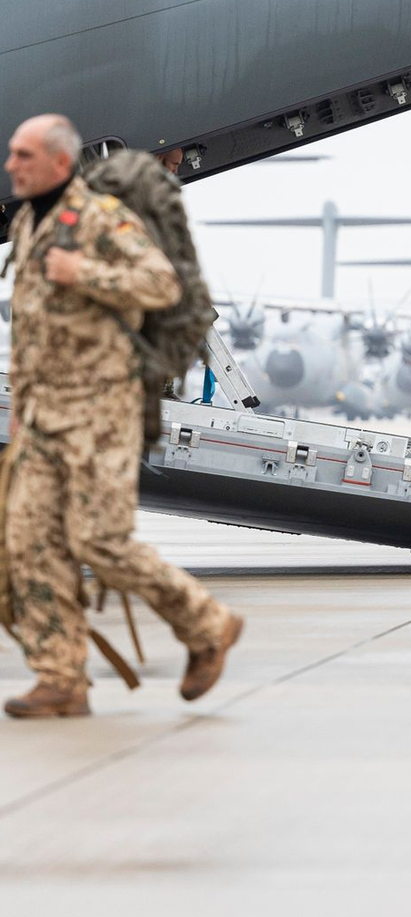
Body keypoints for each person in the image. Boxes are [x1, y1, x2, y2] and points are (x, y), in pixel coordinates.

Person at [2, 114, 242, 718]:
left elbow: (161, 284)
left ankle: (208, 624)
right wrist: (20, 409)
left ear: (60, 163)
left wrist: (84, 272)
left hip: (99, 413)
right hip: (41, 416)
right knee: (27, 543)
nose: (12, 166)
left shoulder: (101, 219)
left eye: (24, 155)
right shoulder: (31, 222)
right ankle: (61, 677)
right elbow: (34, 330)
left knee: (98, 542)